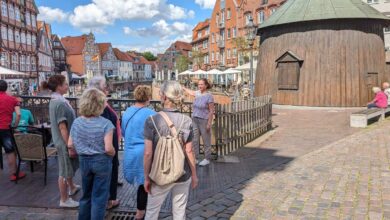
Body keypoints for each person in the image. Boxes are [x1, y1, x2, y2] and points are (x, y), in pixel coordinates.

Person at [144, 81, 198, 219]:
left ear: (164, 97)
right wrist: (194, 174)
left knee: (151, 212)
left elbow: (148, 153)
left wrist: (146, 177)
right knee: (179, 212)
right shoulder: (187, 121)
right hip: (182, 172)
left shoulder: (152, 120)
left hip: (159, 174)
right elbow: (189, 151)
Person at [69, 88, 115, 220]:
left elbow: (70, 144)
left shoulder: (77, 122)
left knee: (86, 194)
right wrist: (114, 152)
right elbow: (108, 148)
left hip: (84, 161)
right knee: (99, 197)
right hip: (101, 161)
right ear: (100, 104)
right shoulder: (106, 124)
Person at [45, 75, 80, 208]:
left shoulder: (57, 100)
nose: (67, 86)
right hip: (63, 141)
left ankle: (72, 187)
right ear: (59, 87)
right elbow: (62, 127)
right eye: (65, 84)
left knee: (67, 166)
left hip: (62, 140)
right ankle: (64, 199)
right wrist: (69, 145)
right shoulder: (59, 103)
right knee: (64, 171)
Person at [122, 85, 156, 219]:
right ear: (148, 97)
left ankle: (140, 211)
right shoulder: (151, 114)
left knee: (140, 182)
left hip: (130, 151)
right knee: (146, 182)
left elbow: (124, 133)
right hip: (145, 151)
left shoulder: (127, 112)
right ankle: (141, 212)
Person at [87, 76, 121, 210]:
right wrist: (111, 150)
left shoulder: (100, 104)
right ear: (99, 90)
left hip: (107, 147)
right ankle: (109, 201)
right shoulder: (101, 108)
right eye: (105, 86)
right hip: (107, 149)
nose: (107, 88)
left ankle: (106, 198)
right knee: (109, 172)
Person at [183, 78, 215, 166]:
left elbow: (211, 110)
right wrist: (183, 88)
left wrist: (209, 123)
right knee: (195, 139)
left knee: (206, 139)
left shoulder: (209, 96)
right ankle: (196, 158)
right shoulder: (197, 93)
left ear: (206, 85)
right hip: (195, 119)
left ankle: (207, 158)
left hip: (204, 120)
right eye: (199, 84)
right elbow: (191, 92)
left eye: (201, 84)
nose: (200, 86)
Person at [0, 80, 25, 181]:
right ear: (6, 88)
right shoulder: (12, 99)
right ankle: (14, 174)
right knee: (10, 151)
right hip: (6, 128)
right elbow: (18, 114)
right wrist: (15, 125)